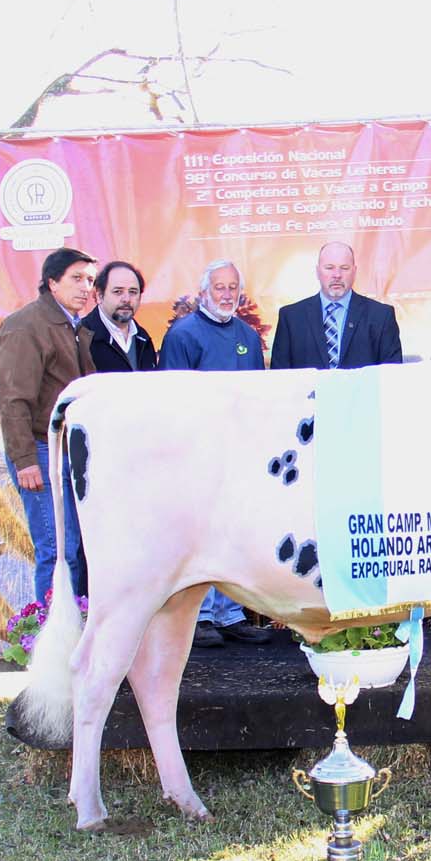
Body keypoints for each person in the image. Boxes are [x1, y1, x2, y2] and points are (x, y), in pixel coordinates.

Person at [163, 260, 275, 648]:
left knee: (236, 534)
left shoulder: (247, 335)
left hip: (240, 454)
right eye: (219, 287)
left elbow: (258, 396)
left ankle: (231, 614)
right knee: (200, 537)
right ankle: (201, 616)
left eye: (232, 287)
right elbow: (171, 399)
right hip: (198, 455)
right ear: (203, 292)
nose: (226, 294)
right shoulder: (183, 335)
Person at [0, 248, 100, 604]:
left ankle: (72, 624)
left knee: (73, 549)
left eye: (90, 280)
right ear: (52, 282)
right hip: (41, 451)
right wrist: (25, 460)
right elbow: (12, 399)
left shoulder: (71, 324)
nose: (86, 287)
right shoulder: (26, 326)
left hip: (67, 449)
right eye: (77, 278)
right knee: (57, 551)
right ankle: (53, 628)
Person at [269, 242, 403, 370]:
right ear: (317, 272)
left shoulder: (381, 316)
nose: (337, 275)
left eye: (344, 268)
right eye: (329, 268)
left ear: (354, 272)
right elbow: (280, 377)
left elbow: (391, 376)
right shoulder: (291, 318)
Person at [85, 259, 158, 373]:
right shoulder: (83, 337)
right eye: (118, 292)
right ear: (99, 296)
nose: (126, 299)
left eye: (133, 292)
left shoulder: (143, 338)